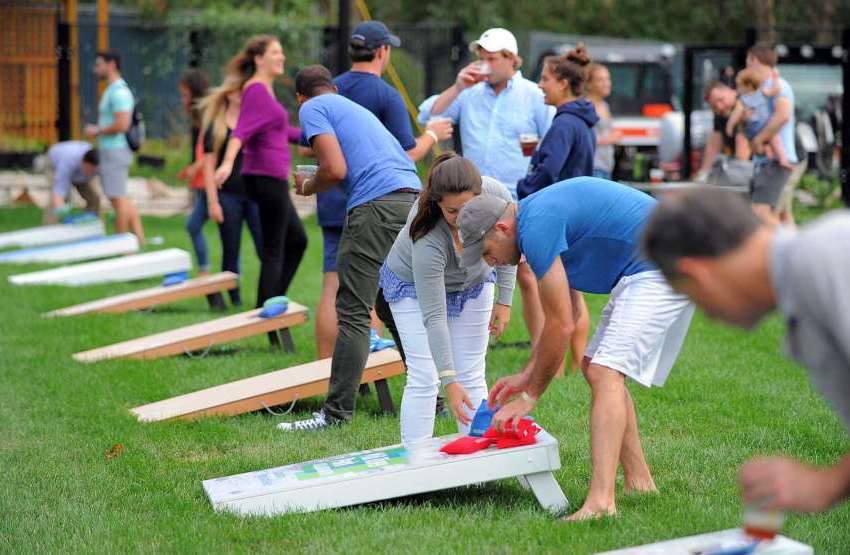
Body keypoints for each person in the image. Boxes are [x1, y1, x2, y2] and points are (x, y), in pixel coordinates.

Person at [457, 177, 694, 520]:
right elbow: (562, 315)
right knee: (595, 366)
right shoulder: (534, 220)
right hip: (648, 263)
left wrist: (530, 396)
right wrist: (527, 374)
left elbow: (562, 324)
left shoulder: (536, 228)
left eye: (485, 251)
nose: (489, 261)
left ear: (502, 228)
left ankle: (601, 503)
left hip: (663, 261)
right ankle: (640, 481)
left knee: (605, 371)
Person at [642, 189, 850, 515]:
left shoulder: (827, 256)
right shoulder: (806, 281)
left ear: (698, 274)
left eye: (693, 299)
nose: (710, 317)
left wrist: (827, 483)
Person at [277, 65, 421, 431]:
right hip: (412, 200)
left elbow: (335, 168)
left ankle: (335, 415)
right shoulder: (355, 109)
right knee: (391, 305)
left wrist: (308, 186)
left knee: (354, 310)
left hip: (377, 205)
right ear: (335, 88)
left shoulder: (312, 107)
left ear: (300, 98)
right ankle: (433, 400)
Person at [310, 20, 453, 359]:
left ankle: (323, 366)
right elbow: (406, 154)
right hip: (374, 202)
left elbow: (311, 144)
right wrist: (432, 135)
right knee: (374, 288)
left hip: (333, 197)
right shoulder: (385, 95)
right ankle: (368, 362)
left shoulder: (331, 91)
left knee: (333, 284)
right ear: (382, 51)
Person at [422, 27, 554, 358]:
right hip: (474, 199)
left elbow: (553, 139)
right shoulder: (469, 92)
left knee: (526, 273)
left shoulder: (532, 94)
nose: (484, 64)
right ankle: (465, 345)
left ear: (512, 60)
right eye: (481, 57)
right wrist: (457, 87)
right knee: (469, 264)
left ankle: (541, 355)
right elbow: (428, 117)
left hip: (520, 198)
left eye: (492, 58)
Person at [379, 153, 516, 441]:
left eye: (467, 208)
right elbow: (434, 316)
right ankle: (416, 459)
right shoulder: (427, 235)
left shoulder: (496, 195)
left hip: (475, 281)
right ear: (437, 203)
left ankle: (477, 452)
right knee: (424, 376)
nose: (460, 217)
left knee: (472, 372)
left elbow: (510, 242)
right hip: (413, 287)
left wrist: (504, 300)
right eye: (452, 211)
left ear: (480, 195)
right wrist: (449, 380)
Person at [515, 46, 598, 371]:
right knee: (574, 295)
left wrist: (525, 190)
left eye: (546, 79)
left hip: (560, 217)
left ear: (563, 83)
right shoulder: (581, 121)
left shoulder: (564, 123)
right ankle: (577, 363)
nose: (540, 85)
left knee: (558, 301)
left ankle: (556, 366)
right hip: (579, 214)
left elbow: (550, 169)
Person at [213, 35, 306, 307]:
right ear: (259, 59)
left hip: (269, 177)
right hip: (266, 177)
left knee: (296, 241)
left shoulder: (264, 89)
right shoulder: (255, 89)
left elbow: (281, 131)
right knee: (275, 250)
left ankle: (271, 304)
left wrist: (317, 137)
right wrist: (227, 162)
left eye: (281, 52)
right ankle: (266, 313)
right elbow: (241, 131)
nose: (282, 57)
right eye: (275, 52)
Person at [199, 77, 263, 307]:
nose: (242, 94)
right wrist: (212, 202)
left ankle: (267, 295)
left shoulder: (253, 122)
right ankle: (234, 299)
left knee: (265, 247)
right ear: (228, 93)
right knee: (231, 250)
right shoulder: (216, 126)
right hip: (228, 196)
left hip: (255, 195)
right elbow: (208, 167)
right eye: (238, 90)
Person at [85, 50, 145, 242]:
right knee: (120, 197)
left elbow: (123, 124)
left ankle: (121, 243)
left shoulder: (119, 92)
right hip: (111, 150)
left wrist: (97, 130)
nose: (96, 69)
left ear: (111, 65)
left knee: (118, 199)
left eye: (99, 65)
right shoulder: (111, 90)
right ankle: (138, 239)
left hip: (116, 150)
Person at [745, 43, 803, 224]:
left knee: (761, 212)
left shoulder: (777, 86)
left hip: (776, 161)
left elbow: (782, 116)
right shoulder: (764, 86)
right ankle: (792, 243)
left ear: (754, 59)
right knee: (782, 216)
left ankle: (772, 242)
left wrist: (759, 140)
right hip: (769, 160)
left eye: (748, 60)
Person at [178, 69, 214, 276]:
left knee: (193, 225)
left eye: (185, 95)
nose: (183, 100)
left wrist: (197, 166)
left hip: (212, 182)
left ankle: (204, 271)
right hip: (203, 182)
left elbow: (212, 149)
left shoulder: (210, 114)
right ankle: (205, 271)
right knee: (193, 225)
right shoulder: (200, 118)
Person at [725, 68, 789, 169]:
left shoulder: (743, 100)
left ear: (748, 86)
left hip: (753, 128)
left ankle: (769, 155)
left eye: (739, 86)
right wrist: (775, 78)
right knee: (775, 141)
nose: (737, 89)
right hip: (765, 125)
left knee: (755, 144)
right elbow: (776, 90)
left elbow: (736, 114)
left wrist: (730, 125)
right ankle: (782, 159)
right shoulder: (763, 92)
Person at [701, 80, 751, 179]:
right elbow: (713, 145)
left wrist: (737, 174)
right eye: (714, 107)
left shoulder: (745, 105)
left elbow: (743, 147)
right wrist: (704, 174)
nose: (720, 107)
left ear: (730, 91)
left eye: (721, 100)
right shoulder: (721, 114)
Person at [43, 141, 100, 224]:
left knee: (94, 198)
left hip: (78, 169)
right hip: (54, 165)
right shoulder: (68, 161)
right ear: (83, 162)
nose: (91, 173)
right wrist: (60, 208)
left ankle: (91, 224)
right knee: (59, 201)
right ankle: (50, 227)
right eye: (89, 170)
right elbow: (59, 189)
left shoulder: (99, 163)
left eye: (93, 171)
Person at [586, 63, 622, 180]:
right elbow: (584, 138)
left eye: (608, 79)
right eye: (600, 80)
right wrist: (609, 139)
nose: (606, 83)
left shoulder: (605, 105)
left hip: (607, 166)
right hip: (593, 167)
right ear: (589, 84)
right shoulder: (586, 107)